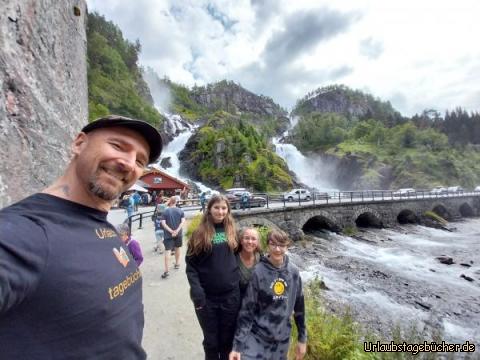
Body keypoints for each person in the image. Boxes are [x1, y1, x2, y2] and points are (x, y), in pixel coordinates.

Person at [0, 114, 162, 359]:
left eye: (140, 160)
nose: (129, 163)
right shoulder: (25, 232)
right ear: (79, 143)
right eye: (118, 146)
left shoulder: (99, 223)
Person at [229, 230, 307, 360]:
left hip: (281, 340)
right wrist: (237, 346)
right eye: (273, 244)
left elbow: (300, 308)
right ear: (267, 246)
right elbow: (247, 311)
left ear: (287, 247)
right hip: (256, 337)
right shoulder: (258, 272)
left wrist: (302, 338)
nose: (277, 249)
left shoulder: (293, 272)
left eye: (281, 245)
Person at [186, 194, 240, 360]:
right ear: (209, 209)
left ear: (228, 210)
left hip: (231, 297)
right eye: (216, 207)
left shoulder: (232, 231)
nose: (220, 211)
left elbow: (240, 255)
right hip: (206, 299)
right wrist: (197, 291)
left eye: (224, 208)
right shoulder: (200, 233)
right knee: (211, 341)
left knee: (227, 340)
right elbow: (191, 265)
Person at [160, 196, 185, 279]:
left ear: (170, 202)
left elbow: (163, 223)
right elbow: (182, 222)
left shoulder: (165, 211)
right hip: (178, 234)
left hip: (168, 234)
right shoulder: (180, 211)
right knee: (177, 248)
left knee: (167, 251)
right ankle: (177, 264)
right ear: (176, 202)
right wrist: (176, 231)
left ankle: (166, 271)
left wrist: (171, 231)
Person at [236, 227, 261, 299]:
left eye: (253, 239)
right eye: (246, 238)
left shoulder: (262, 260)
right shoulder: (232, 260)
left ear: (257, 242)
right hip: (238, 305)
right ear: (241, 241)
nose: (250, 242)